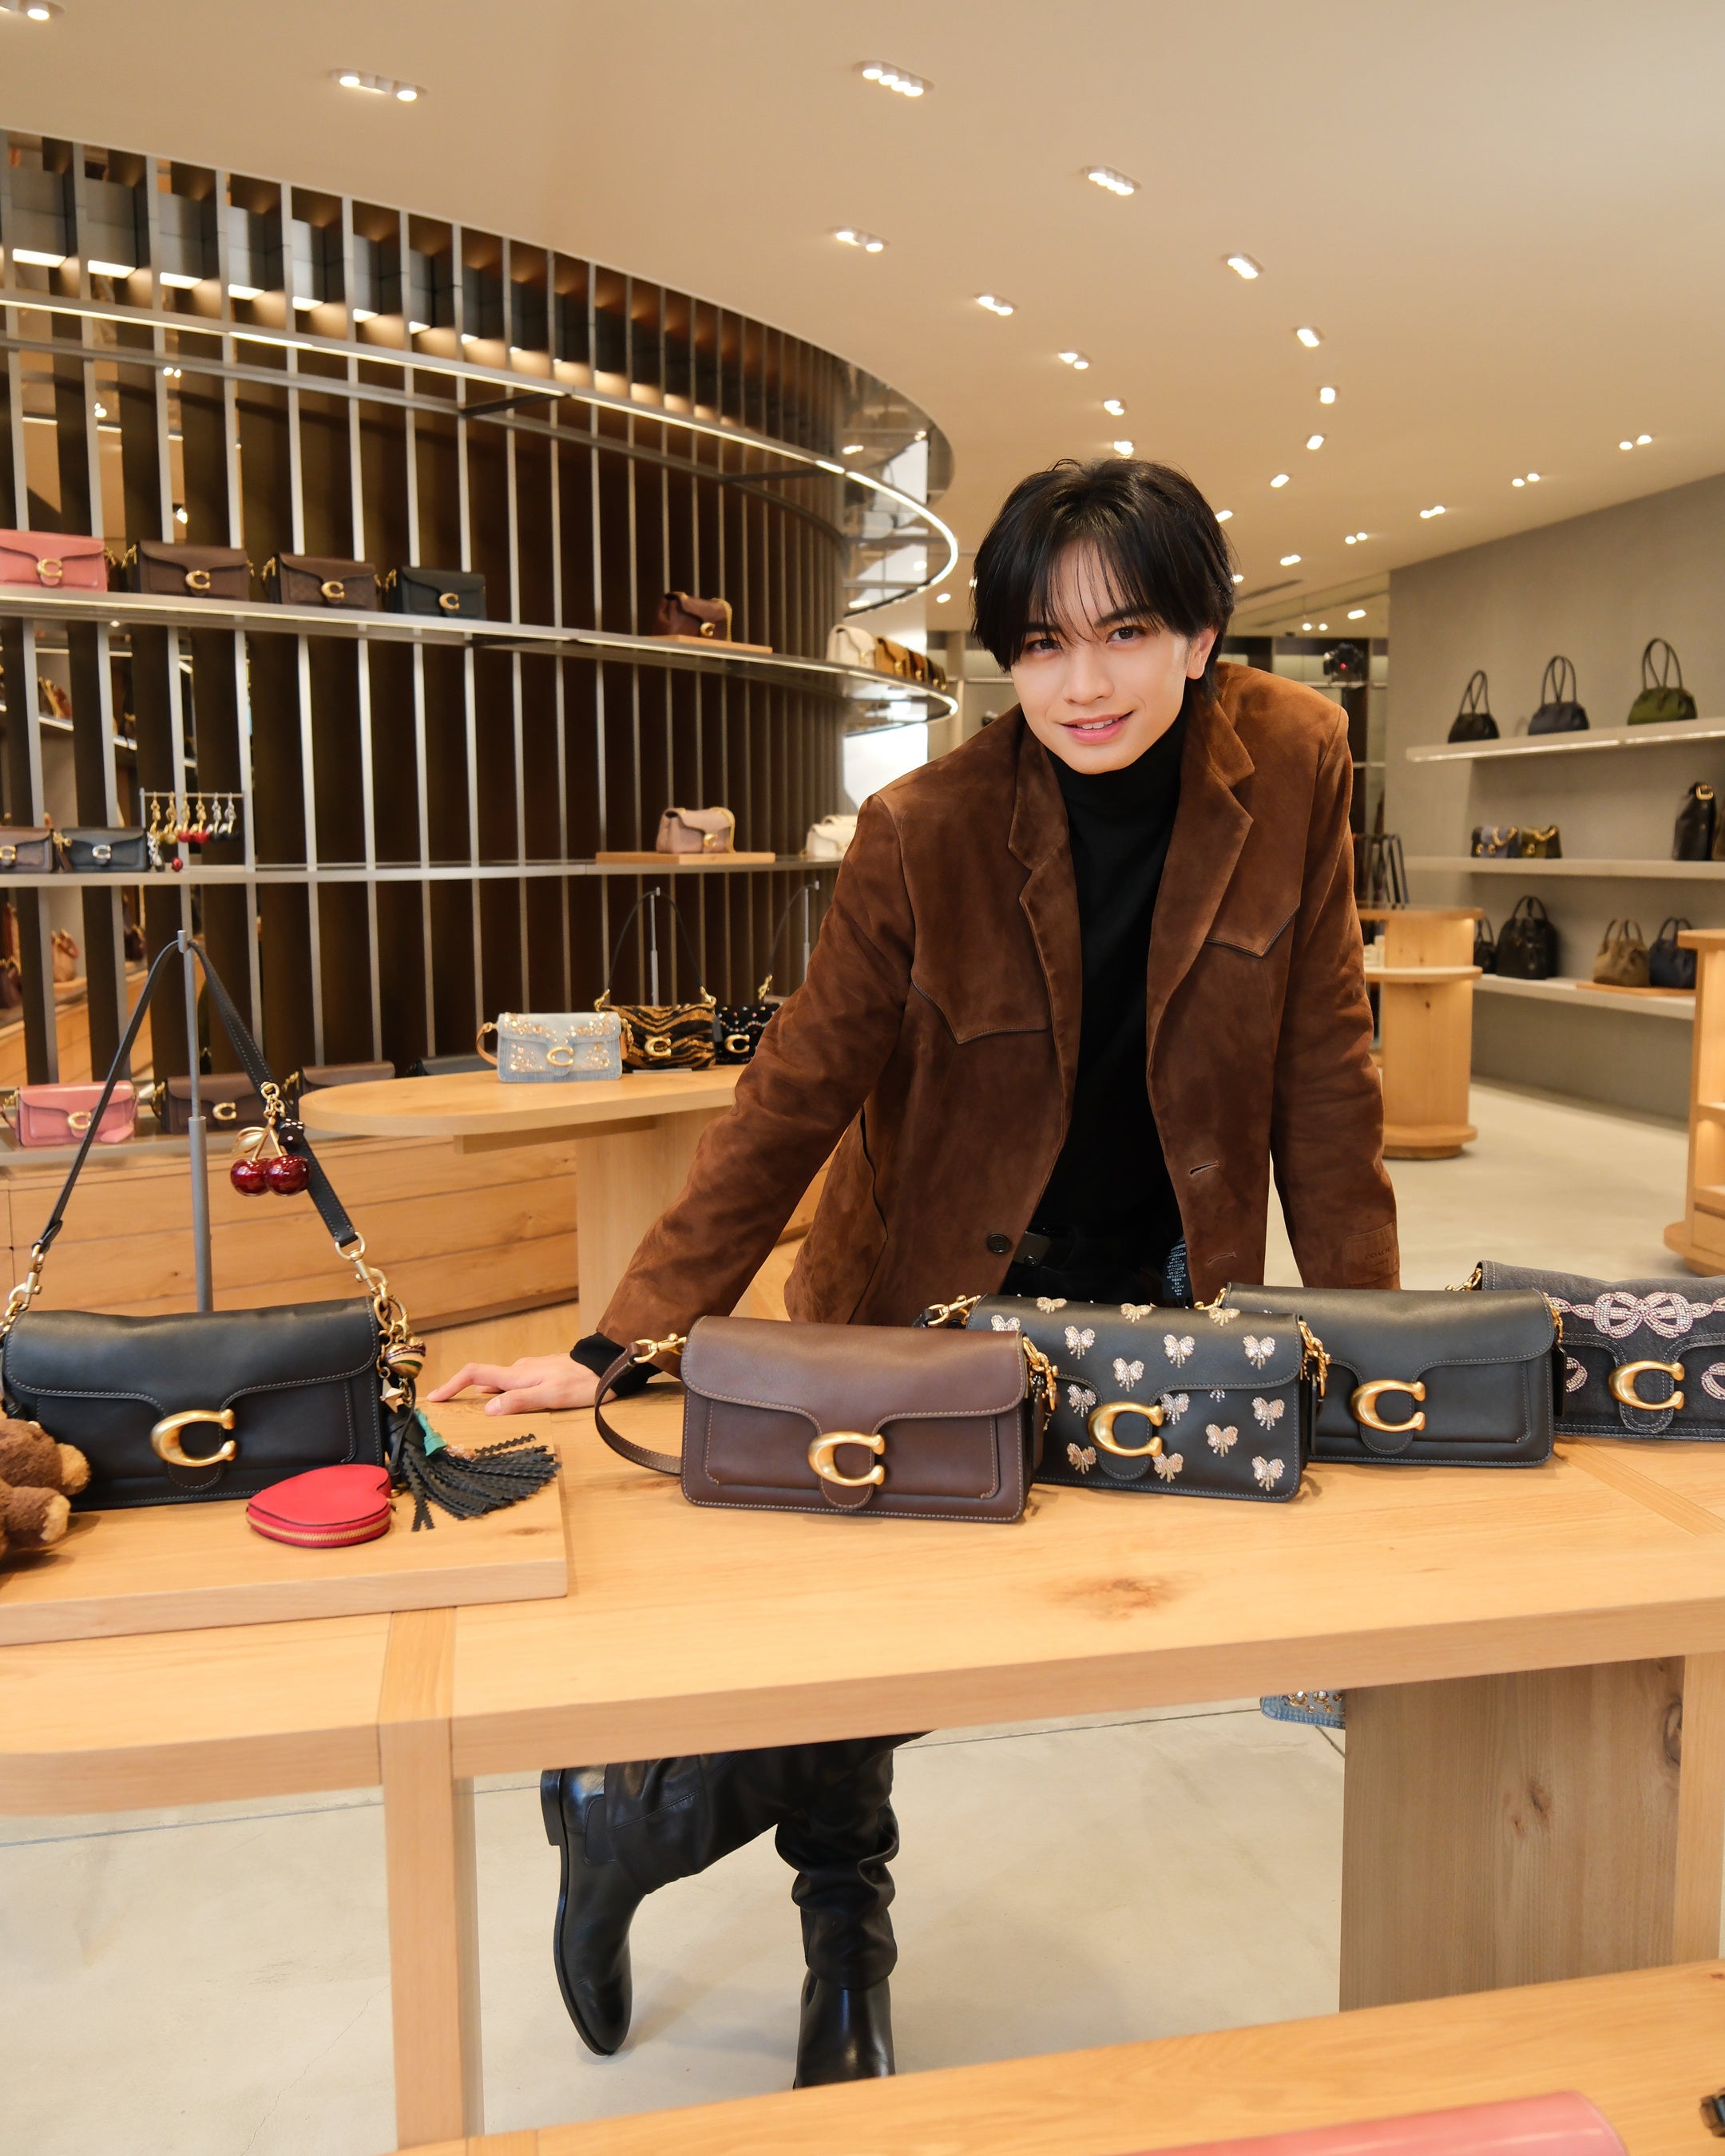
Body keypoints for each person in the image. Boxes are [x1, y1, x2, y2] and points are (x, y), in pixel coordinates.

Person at [429, 456, 1399, 2086]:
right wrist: (617, 1344)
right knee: (863, 1649)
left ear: (1203, 634)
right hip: (917, 1309)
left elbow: (1328, 1078)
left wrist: (1369, 1354)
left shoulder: (1296, 762)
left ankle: (629, 1816)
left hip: (1160, 1310)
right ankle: (847, 1953)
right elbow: (793, 1094)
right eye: (1040, 643)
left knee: (1042, 1635)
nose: (1082, 684)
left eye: (1125, 632)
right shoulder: (923, 828)